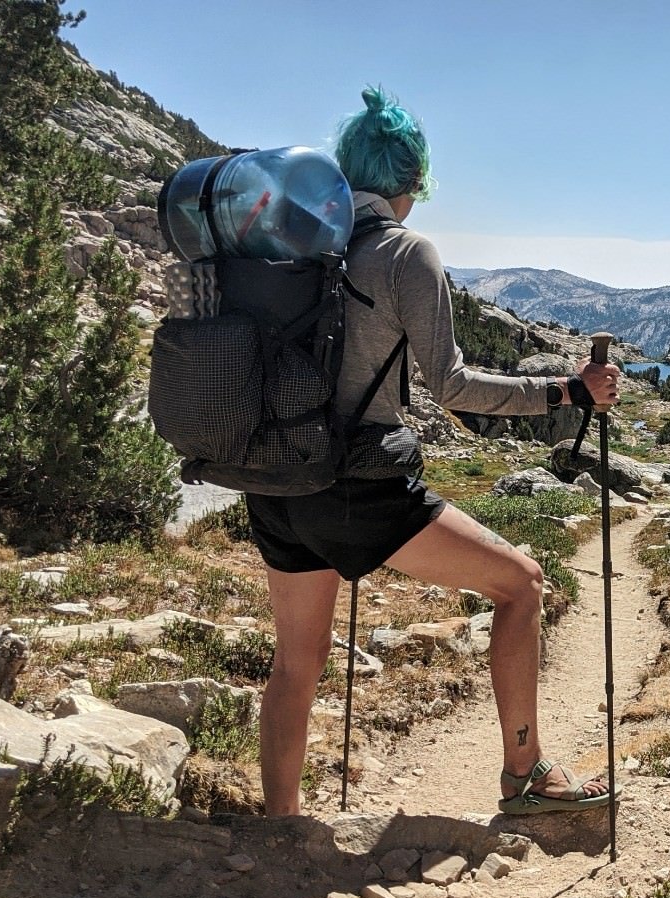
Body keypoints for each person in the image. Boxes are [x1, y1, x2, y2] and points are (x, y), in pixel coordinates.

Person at [246, 86, 619, 817]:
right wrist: (568, 391)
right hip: (359, 486)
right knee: (522, 582)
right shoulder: (405, 252)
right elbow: (451, 385)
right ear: (412, 182)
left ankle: (279, 828)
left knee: (296, 661)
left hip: (276, 480)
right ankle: (526, 773)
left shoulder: (297, 247)